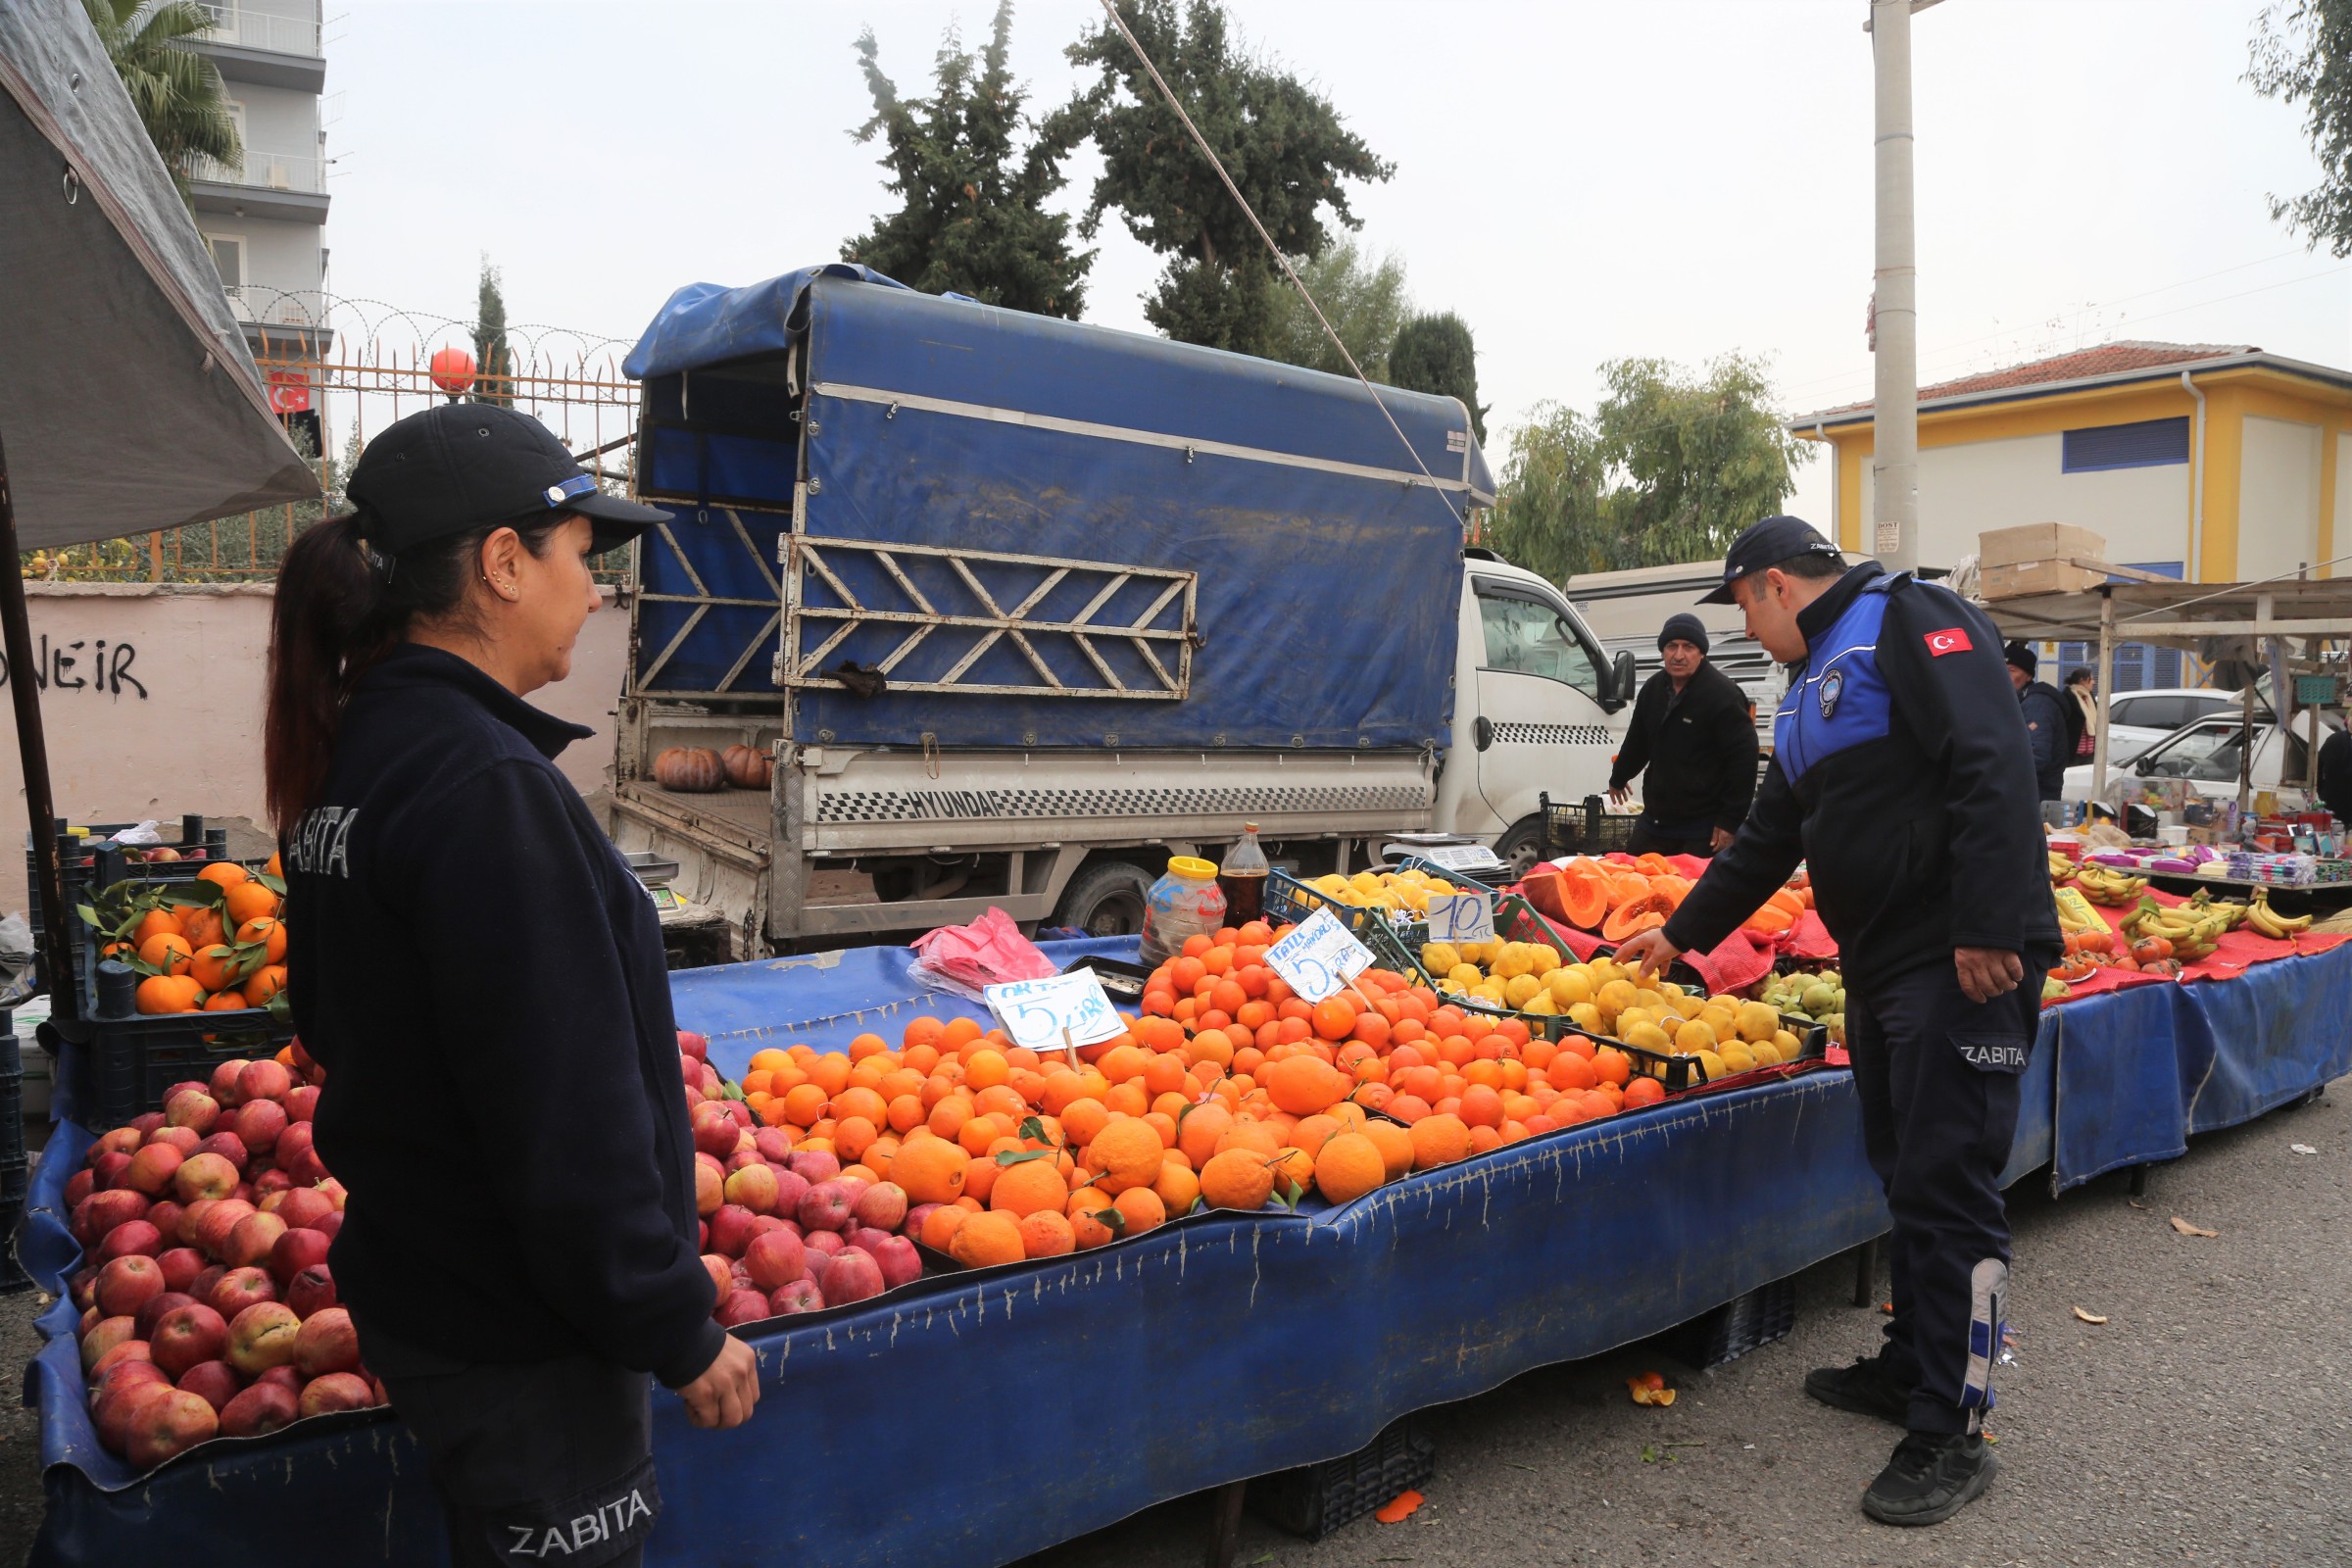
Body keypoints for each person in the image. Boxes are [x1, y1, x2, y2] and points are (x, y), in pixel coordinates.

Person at [267, 405, 760, 1567]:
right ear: (501, 562)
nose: (593, 593)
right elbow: (562, 1113)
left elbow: (328, 1026)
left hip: (434, 1292)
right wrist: (674, 1326)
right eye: (580, 558)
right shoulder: (483, 783)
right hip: (521, 1332)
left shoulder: (363, 752)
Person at [1615, 514, 2058, 1529]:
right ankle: (1914, 1365)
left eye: (1741, 606)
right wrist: (1679, 933)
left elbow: (1992, 756)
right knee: (1905, 1169)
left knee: (1953, 1189)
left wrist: (1992, 919)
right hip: (1884, 961)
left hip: (1961, 952)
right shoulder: (1809, 691)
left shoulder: (1908, 617)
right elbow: (1774, 834)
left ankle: (1957, 1424)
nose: (1743, 627)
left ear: (1773, 583)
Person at [1606, 611, 1758, 857]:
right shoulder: (1653, 690)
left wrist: (1730, 823)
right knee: (1632, 880)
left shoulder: (1723, 695)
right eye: (1671, 646)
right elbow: (1638, 741)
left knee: (1690, 893)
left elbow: (1743, 762)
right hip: (1655, 821)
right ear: (1663, 651)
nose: (1678, 655)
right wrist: (1619, 776)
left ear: (1702, 652)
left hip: (1701, 827)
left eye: (1688, 647)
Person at [2006, 642, 2069, 803]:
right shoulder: (2022, 700)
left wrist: (2003, 778)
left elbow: (2036, 755)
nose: (2004, 675)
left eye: (2011, 670)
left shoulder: (2037, 704)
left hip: (2036, 795)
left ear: (2028, 676)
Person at [2062, 666, 2097, 761]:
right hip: (2074, 754)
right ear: (2082, 681)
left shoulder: (2089, 697)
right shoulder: (2068, 697)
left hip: (2090, 753)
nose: (2094, 682)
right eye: (2091, 679)